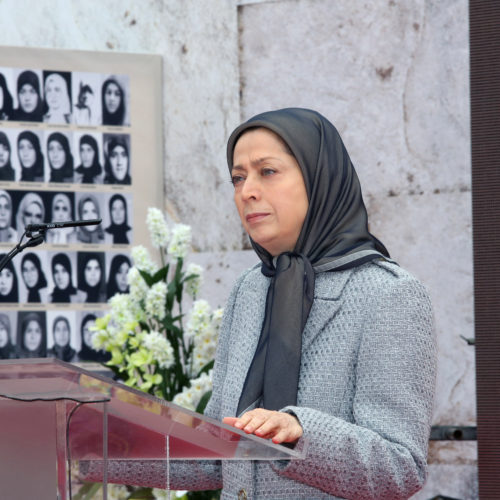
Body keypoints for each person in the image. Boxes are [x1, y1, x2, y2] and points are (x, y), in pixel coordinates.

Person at [92, 108, 436, 499]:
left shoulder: (389, 294)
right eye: (238, 178)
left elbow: (400, 467)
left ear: (318, 178)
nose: (246, 191)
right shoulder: (251, 290)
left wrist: (300, 430)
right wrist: (97, 445)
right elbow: (218, 451)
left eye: (266, 171)